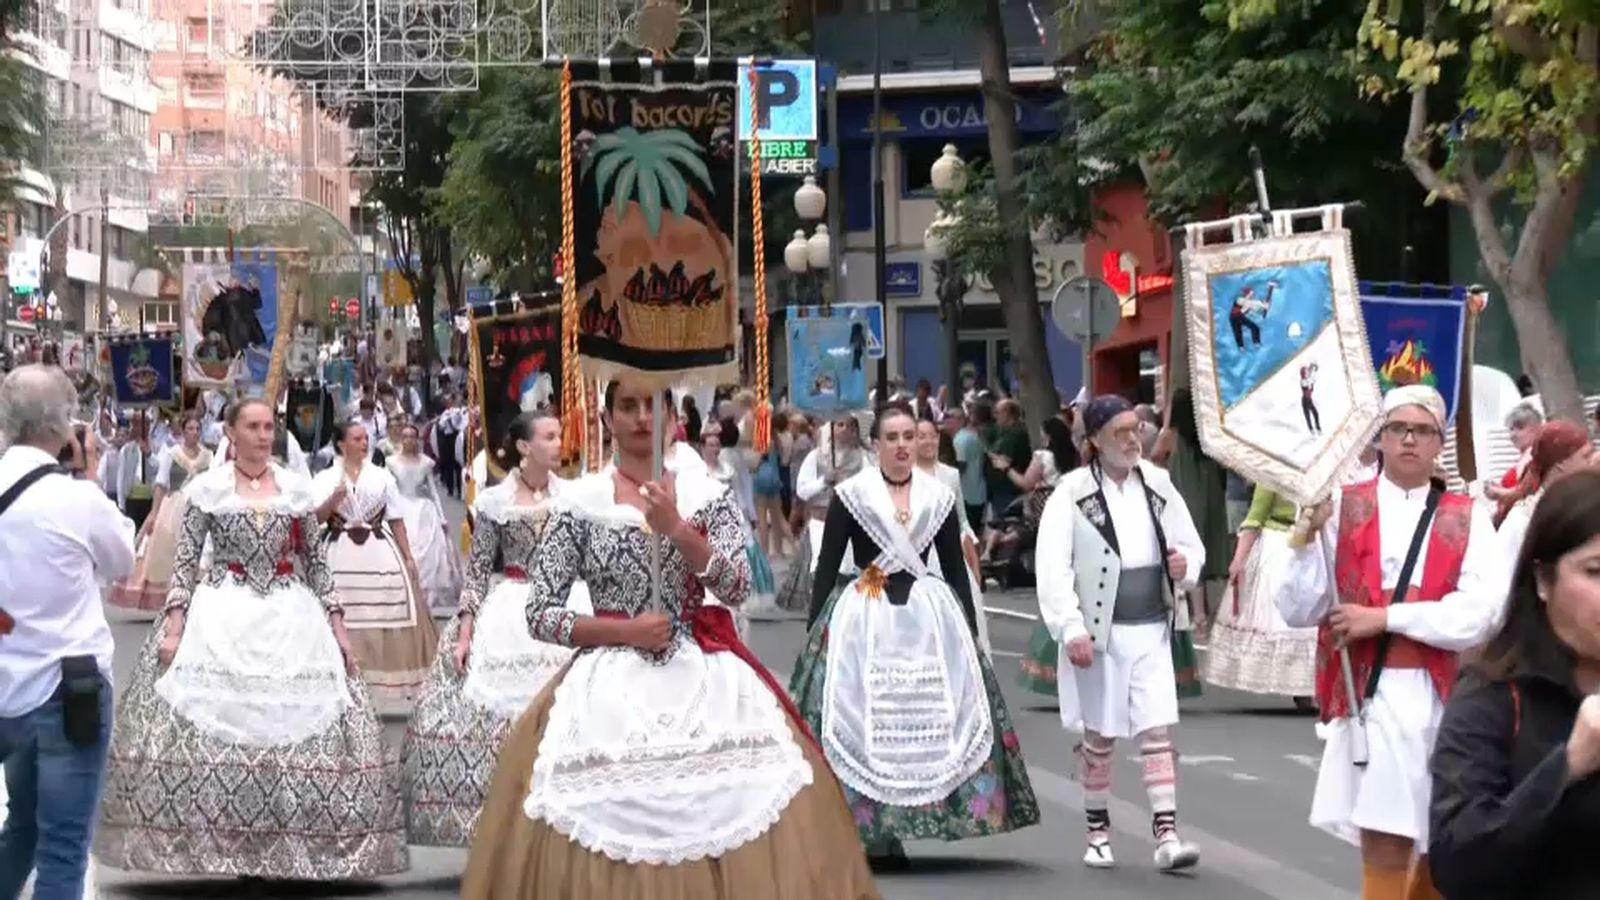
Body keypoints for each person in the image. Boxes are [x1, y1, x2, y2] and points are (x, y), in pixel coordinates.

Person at [460, 380, 878, 899]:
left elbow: (737, 586)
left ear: (671, 415)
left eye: (650, 405)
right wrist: (623, 630)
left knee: (731, 798)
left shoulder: (707, 496)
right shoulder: (580, 502)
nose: (640, 418)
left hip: (701, 670)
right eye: (627, 406)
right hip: (606, 680)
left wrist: (677, 527)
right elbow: (541, 613)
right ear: (607, 418)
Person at [94, 398, 408, 880]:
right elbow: (185, 563)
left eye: (269, 427)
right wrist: (175, 625)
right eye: (254, 427)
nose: (265, 435)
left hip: (289, 609)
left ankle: (289, 839)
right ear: (232, 433)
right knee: (223, 723)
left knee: (292, 725)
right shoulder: (207, 490)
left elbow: (317, 565)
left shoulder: (296, 491)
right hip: (223, 607)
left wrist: (339, 629)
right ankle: (230, 841)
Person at [1270, 385, 1509, 900]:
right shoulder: (1341, 507)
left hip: (1449, 699)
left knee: (1445, 838)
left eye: (1421, 431)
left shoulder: (1469, 516)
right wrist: (1304, 542)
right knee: (1386, 834)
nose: (1408, 439)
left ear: (1437, 442)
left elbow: (1479, 616)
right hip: (1371, 696)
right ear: (1379, 438)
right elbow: (1296, 607)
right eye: (1398, 428)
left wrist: (1385, 618)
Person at [789, 403, 1039, 867]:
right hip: (867, 604)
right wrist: (814, 631)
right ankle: (872, 830)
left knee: (928, 714)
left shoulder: (936, 496)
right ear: (876, 445)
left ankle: (921, 817)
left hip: (926, 609)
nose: (903, 446)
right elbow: (828, 567)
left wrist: (969, 628)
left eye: (909, 436)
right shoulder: (853, 494)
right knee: (866, 717)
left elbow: (952, 567)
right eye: (893, 438)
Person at [1033, 394, 1208, 871]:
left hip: (1151, 626)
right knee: (1100, 736)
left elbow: (1191, 545)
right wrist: (1071, 628)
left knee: (1156, 731)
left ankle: (1167, 835)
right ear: (1094, 441)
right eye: (1121, 432)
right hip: (1100, 634)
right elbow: (1052, 569)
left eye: (1136, 429)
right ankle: (1097, 834)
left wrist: (1184, 565)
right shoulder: (1071, 493)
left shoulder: (1158, 484)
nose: (1134, 439)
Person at [403, 410, 591, 847]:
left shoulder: (575, 497)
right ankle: (509, 823)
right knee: (505, 717)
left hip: (568, 605)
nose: (559, 442)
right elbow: (478, 571)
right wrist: (466, 628)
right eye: (549, 436)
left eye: (559, 434)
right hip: (512, 607)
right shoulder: (493, 501)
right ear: (525, 448)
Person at [1429, 469, 1600, 899]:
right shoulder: (1493, 698)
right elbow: (1458, 867)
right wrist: (1568, 766)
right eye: (1595, 571)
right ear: (1543, 580)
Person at [0, 365, 133, 898]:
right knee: (62, 848)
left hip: (8, 692)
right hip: (68, 694)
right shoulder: (75, 500)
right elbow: (121, 558)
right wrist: (89, 476)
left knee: (23, 829)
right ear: (62, 425)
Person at [313, 419, 438, 715]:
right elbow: (314, 519)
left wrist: (408, 557)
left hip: (380, 549)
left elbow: (395, 518)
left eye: (365, 438)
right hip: (339, 549)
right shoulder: (324, 478)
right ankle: (342, 683)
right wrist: (334, 500)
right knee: (344, 613)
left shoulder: (382, 478)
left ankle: (378, 687)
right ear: (342, 444)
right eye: (357, 439)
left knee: (385, 612)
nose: (364, 443)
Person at [1203, 485, 1316, 702]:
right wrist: (1239, 558)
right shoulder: (1272, 469)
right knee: (1279, 617)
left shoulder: (1324, 469)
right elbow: (1256, 515)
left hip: (1313, 541)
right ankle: (1298, 686)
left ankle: (1309, 685)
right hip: (1280, 543)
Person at [110, 414, 212, 616]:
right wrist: (154, 513)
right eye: (190, 428)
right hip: (174, 505)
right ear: (183, 432)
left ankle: (194, 596)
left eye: (197, 429)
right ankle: (171, 597)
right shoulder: (172, 454)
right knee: (167, 552)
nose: (194, 432)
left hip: (199, 505)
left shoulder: (208, 456)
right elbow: (161, 483)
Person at [385, 422, 464, 616]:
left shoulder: (425, 462)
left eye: (412, 436)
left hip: (422, 508)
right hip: (400, 507)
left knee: (430, 551)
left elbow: (433, 491)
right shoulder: (391, 462)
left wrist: (443, 518)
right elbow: (388, 489)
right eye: (405, 437)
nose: (409, 440)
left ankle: (426, 596)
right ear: (401, 439)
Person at [1493, 420, 1593, 559]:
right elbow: (1503, 574)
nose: (1592, 463)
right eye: (1585, 457)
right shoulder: (1523, 521)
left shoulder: (1589, 506)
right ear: (1562, 463)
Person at [1484, 401, 1543, 503]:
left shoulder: (1537, 455)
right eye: (1511, 429)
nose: (1513, 434)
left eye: (1520, 428)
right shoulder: (1526, 457)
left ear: (1537, 429)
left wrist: (1499, 492)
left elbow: (1529, 492)